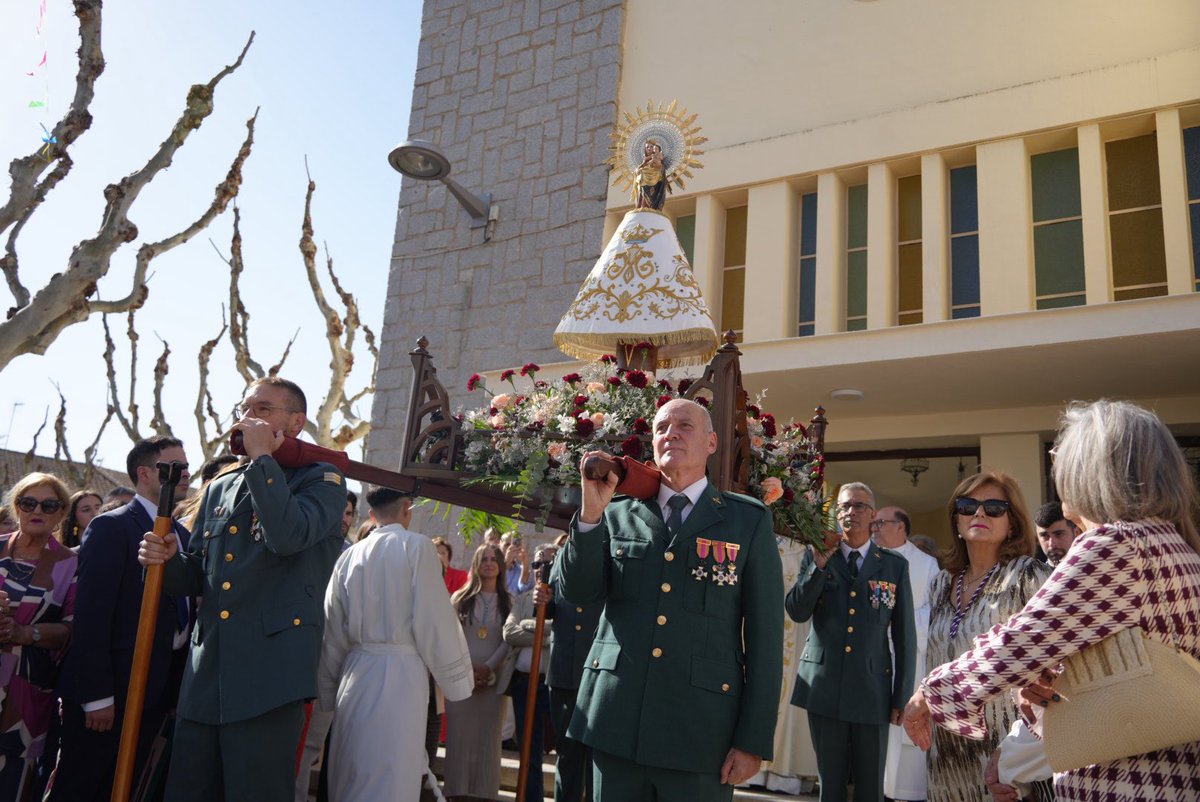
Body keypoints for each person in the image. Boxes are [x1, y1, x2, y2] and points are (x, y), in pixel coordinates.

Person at [906, 400, 1200, 800]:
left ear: (1090, 471)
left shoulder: (1115, 545)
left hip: (1123, 780)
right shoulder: (1177, 545)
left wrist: (929, 693)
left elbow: (1019, 643)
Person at [558, 398, 784, 802]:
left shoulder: (746, 520)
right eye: (662, 427)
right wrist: (590, 515)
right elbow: (576, 593)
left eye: (684, 426)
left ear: (711, 443)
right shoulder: (616, 511)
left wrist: (752, 740)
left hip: (699, 732)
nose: (671, 434)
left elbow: (766, 637)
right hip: (616, 721)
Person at [138, 376, 346, 802]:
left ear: (296, 422)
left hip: (268, 679)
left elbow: (288, 536)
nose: (248, 417)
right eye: (244, 408)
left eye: (263, 409)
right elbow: (199, 577)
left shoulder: (323, 480)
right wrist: (167, 560)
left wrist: (262, 460)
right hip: (206, 675)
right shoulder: (220, 487)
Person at [51, 437, 193, 802]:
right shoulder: (112, 527)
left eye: (186, 466)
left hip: (155, 692)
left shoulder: (185, 536)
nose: (185, 474)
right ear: (144, 473)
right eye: (173, 467)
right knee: (85, 787)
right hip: (110, 691)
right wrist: (97, 695)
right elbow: (93, 615)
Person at [319, 486, 474, 802]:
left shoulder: (349, 555)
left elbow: (332, 631)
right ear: (407, 508)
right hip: (401, 679)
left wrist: (327, 689)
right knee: (392, 772)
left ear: (372, 514)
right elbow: (433, 620)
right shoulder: (416, 547)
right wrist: (458, 682)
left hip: (356, 673)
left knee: (354, 770)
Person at [905, 471, 1051, 802]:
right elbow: (937, 657)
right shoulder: (942, 583)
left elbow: (1049, 664)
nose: (980, 514)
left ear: (1011, 522)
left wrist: (1023, 761)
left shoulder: (1028, 575)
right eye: (968, 505)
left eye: (994, 507)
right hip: (947, 752)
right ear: (956, 521)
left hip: (1007, 750)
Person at [787, 482, 916, 802]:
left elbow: (904, 636)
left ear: (873, 516)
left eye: (858, 506)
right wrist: (816, 567)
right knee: (830, 785)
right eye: (843, 506)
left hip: (872, 691)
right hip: (824, 686)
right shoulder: (818, 555)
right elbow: (797, 612)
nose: (850, 512)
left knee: (870, 786)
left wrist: (901, 696)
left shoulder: (893, 565)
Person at [0, 472, 77, 799]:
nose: (38, 511)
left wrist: (23, 632)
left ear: (61, 514)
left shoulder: (69, 563)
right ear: (16, 507)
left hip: (26, 692)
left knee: (13, 782)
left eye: (49, 505)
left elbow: (71, 631)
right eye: (28, 502)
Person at [871, 506, 938, 802]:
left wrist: (898, 626)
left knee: (906, 740)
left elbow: (934, 614)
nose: (874, 528)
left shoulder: (926, 564)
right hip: (876, 660)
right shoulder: (869, 559)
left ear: (901, 527)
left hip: (911, 660)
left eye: (880, 523)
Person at [443, 543, 513, 802]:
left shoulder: (510, 602)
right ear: (476, 563)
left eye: (494, 559)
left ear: (501, 566)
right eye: (484, 558)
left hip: (493, 684)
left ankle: (484, 795)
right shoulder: (460, 599)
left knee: (488, 741)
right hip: (463, 680)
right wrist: (469, 670)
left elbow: (509, 641)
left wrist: (487, 668)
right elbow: (453, 637)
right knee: (459, 740)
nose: (489, 563)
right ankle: (455, 794)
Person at [544, 552, 602, 802]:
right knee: (567, 755)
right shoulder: (560, 557)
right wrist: (543, 602)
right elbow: (553, 608)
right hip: (564, 672)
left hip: (597, 672)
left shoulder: (609, 553)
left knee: (595, 761)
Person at [503, 544, 555, 802]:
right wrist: (545, 633)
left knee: (563, 751)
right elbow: (509, 632)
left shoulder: (566, 601)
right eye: (535, 564)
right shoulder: (523, 600)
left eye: (546, 565)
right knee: (528, 750)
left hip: (555, 685)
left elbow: (562, 632)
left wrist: (532, 628)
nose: (539, 570)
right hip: (525, 684)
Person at [1033, 502, 1078, 568]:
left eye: (1058, 534)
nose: (1052, 544)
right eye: (1044, 536)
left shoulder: (1091, 570)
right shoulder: (1030, 575)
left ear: (1076, 533)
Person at [634, 138, 669, 210]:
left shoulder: (657, 157)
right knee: (642, 198)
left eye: (651, 147)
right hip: (643, 182)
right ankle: (642, 208)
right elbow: (638, 169)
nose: (649, 148)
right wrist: (638, 170)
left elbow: (660, 167)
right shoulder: (645, 161)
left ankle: (647, 208)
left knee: (649, 199)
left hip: (654, 181)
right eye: (647, 147)